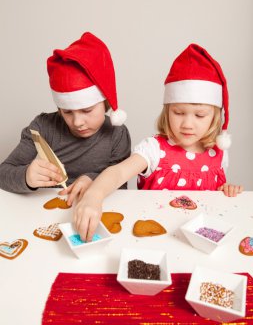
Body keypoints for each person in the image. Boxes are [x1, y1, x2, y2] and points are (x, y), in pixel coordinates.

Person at [73, 43, 243, 241]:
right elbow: (118, 172)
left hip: (199, 242)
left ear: (214, 117)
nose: (187, 124)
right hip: (155, 238)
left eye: (199, 115)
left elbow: (215, 201)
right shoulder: (154, 150)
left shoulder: (218, 154)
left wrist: (226, 191)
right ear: (167, 111)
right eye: (178, 113)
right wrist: (94, 195)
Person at [0, 32, 131, 200]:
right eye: (67, 112)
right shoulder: (43, 127)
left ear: (104, 102)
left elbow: (122, 184)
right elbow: (3, 173)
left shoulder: (117, 134)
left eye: (87, 110)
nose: (77, 122)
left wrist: (94, 180)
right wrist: (26, 177)